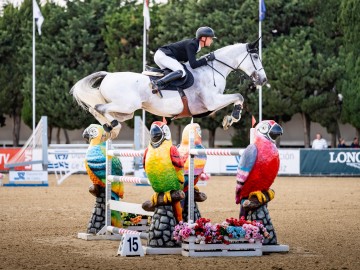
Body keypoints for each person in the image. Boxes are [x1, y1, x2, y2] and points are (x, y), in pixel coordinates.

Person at [150, 26, 216, 97]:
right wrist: (206, 59)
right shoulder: (193, 44)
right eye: (210, 38)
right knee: (181, 72)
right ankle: (157, 83)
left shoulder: (196, 45)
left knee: (174, 74)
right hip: (164, 55)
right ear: (203, 38)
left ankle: (165, 90)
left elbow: (189, 62)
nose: (211, 40)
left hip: (161, 55)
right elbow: (193, 64)